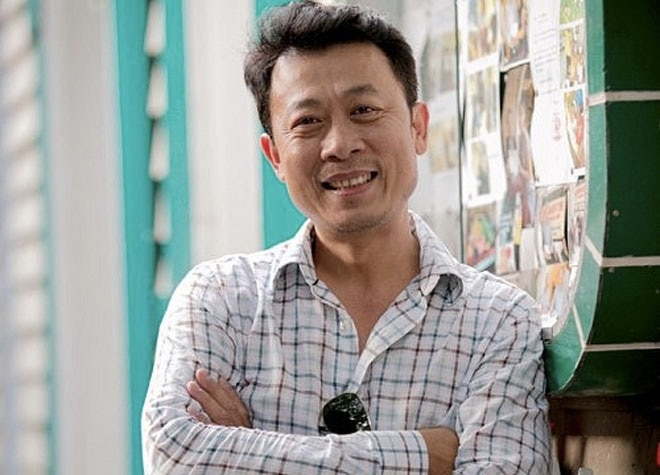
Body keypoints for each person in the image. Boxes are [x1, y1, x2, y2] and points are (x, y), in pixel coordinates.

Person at [141, 1, 551, 473]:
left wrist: (250, 449)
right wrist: (423, 455)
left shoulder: (498, 321)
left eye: (364, 110)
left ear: (418, 128)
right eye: (308, 122)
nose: (340, 144)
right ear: (275, 156)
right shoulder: (221, 300)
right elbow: (175, 456)